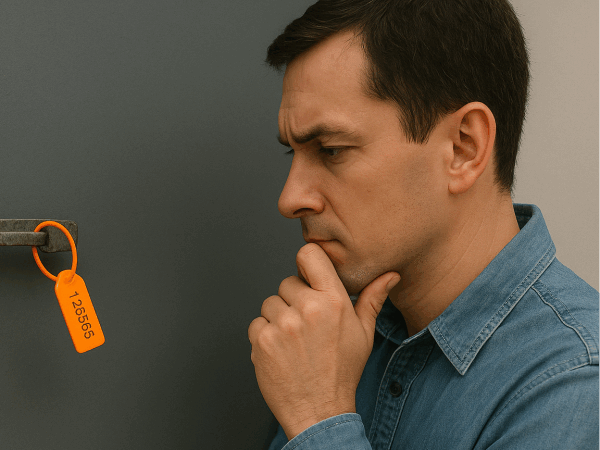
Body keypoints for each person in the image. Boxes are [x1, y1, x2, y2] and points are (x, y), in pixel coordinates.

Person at [247, 1, 600, 449]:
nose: (289, 199)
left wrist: (320, 419)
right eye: (291, 152)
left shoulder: (576, 385)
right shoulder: (329, 344)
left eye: (331, 149)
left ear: (462, 148)